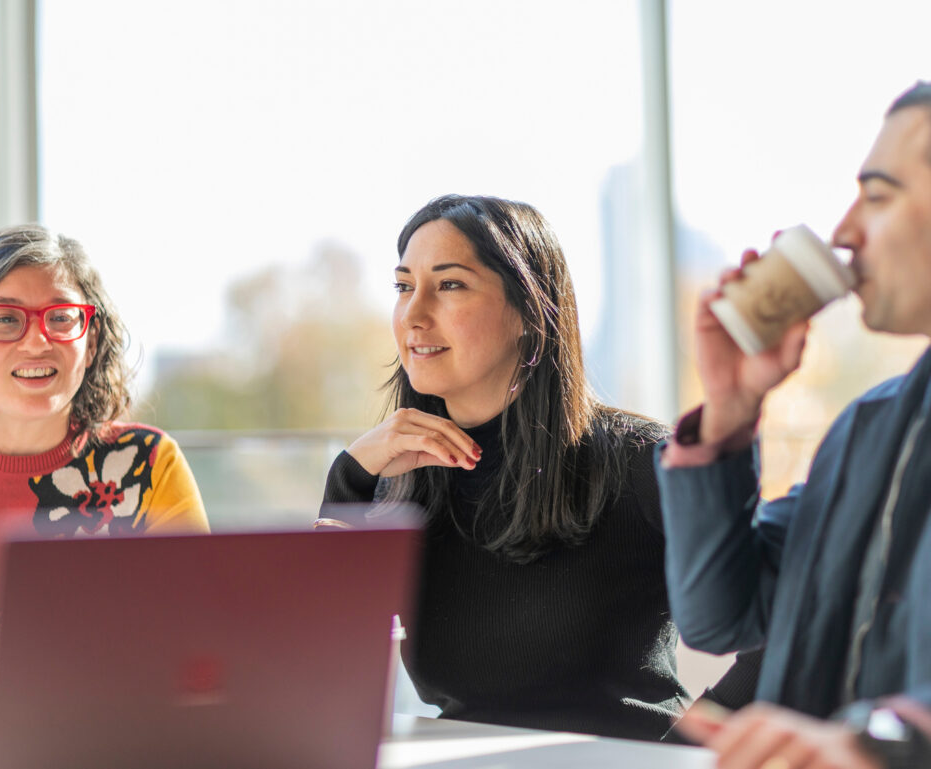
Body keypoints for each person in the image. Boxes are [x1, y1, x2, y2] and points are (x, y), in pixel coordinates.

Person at [322, 194, 757, 741]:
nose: (413, 314)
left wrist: (689, 751)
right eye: (404, 286)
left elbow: (784, 625)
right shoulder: (397, 477)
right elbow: (318, 661)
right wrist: (352, 477)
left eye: (449, 284)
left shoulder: (643, 459)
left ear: (529, 312)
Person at [656, 81, 931, 768]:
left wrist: (882, 742)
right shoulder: (869, 430)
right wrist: (729, 414)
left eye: (877, 194)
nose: (843, 232)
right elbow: (720, 617)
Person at [0, 225, 209, 733]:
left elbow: (205, 659)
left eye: (62, 318)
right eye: (5, 319)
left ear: (90, 343)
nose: (36, 340)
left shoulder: (151, 465)